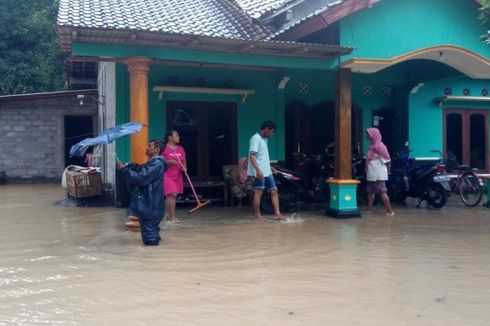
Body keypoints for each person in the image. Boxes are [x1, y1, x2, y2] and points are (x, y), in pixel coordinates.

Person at [116, 140, 167, 245]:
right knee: (152, 236)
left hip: (150, 206)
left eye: (150, 146)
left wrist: (123, 170)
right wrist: (132, 166)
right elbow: (143, 171)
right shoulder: (154, 162)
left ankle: (150, 260)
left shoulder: (156, 163)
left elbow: (141, 178)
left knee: (150, 240)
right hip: (151, 205)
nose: (147, 148)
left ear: (157, 149)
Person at [247, 120, 283, 222]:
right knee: (259, 191)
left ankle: (278, 214)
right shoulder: (256, 138)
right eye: (271, 132)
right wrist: (258, 170)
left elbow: (262, 156)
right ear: (266, 129)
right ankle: (257, 215)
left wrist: (269, 166)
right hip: (260, 171)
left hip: (267, 171)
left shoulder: (264, 139)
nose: (271, 134)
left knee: (274, 190)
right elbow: (252, 156)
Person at [365, 128, 395, 216]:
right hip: (372, 172)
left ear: (373, 135)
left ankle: (390, 211)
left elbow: (388, 159)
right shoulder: (372, 146)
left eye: (368, 134)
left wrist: (388, 170)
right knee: (371, 191)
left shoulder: (380, 146)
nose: (367, 136)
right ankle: (369, 209)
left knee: (382, 191)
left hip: (378, 173)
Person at [161, 130, 186, 223]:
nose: (178, 137)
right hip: (166, 174)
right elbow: (159, 160)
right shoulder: (164, 148)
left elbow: (183, 159)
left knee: (172, 196)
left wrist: (184, 168)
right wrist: (169, 162)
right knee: (172, 193)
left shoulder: (180, 149)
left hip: (177, 174)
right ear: (169, 137)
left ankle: (168, 215)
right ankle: (172, 217)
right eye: (176, 135)